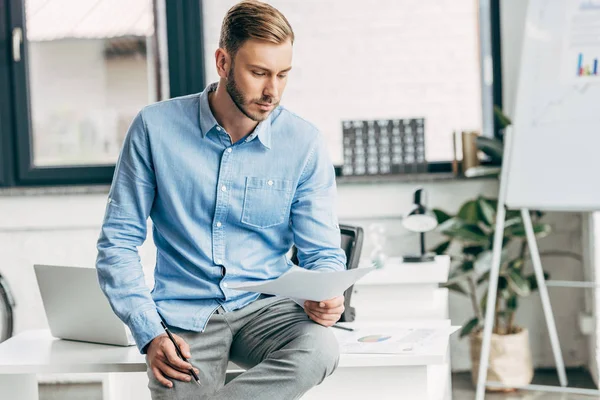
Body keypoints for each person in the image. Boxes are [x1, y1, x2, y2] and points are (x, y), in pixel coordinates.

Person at [95, 1, 347, 399]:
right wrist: (149, 332)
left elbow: (324, 255)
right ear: (223, 62)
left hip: (267, 308)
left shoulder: (304, 143)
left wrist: (328, 296)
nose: (272, 92)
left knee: (320, 349)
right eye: (259, 73)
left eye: (283, 75)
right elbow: (117, 244)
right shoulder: (153, 128)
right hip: (183, 315)